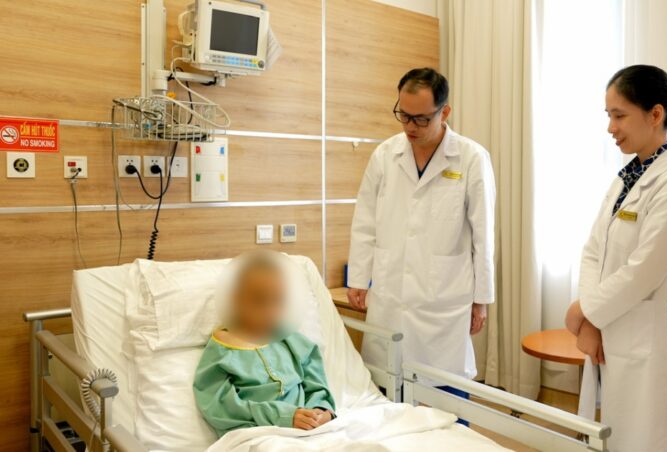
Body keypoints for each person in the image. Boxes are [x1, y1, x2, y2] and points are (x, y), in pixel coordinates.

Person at [564, 65, 667, 451]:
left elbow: (643, 272)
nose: (611, 127)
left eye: (619, 115)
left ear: (655, 114)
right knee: (612, 436)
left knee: (647, 439)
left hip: (649, 344)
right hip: (612, 329)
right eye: (608, 115)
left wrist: (583, 310)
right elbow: (594, 249)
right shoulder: (628, 178)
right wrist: (591, 320)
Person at [347, 68, 496, 394]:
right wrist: (358, 277)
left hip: (445, 296)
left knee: (448, 389)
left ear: (445, 112)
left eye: (422, 119)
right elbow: (365, 220)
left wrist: (482, 299)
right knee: (388, 384)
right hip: (391, 290)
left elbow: (483, 234)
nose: (410, 127)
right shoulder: (385, 155)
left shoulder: (471, 158)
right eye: (404, 115)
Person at [193, 250, 336, 437]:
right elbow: (218, 406)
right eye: (260, 301)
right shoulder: (222, 349)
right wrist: (283, 416)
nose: (270, 312)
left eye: (278, 301)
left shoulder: (293, 341)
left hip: (307, 432)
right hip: (255, 435)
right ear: (236, 300)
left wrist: (321, 411)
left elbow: (316, 385)